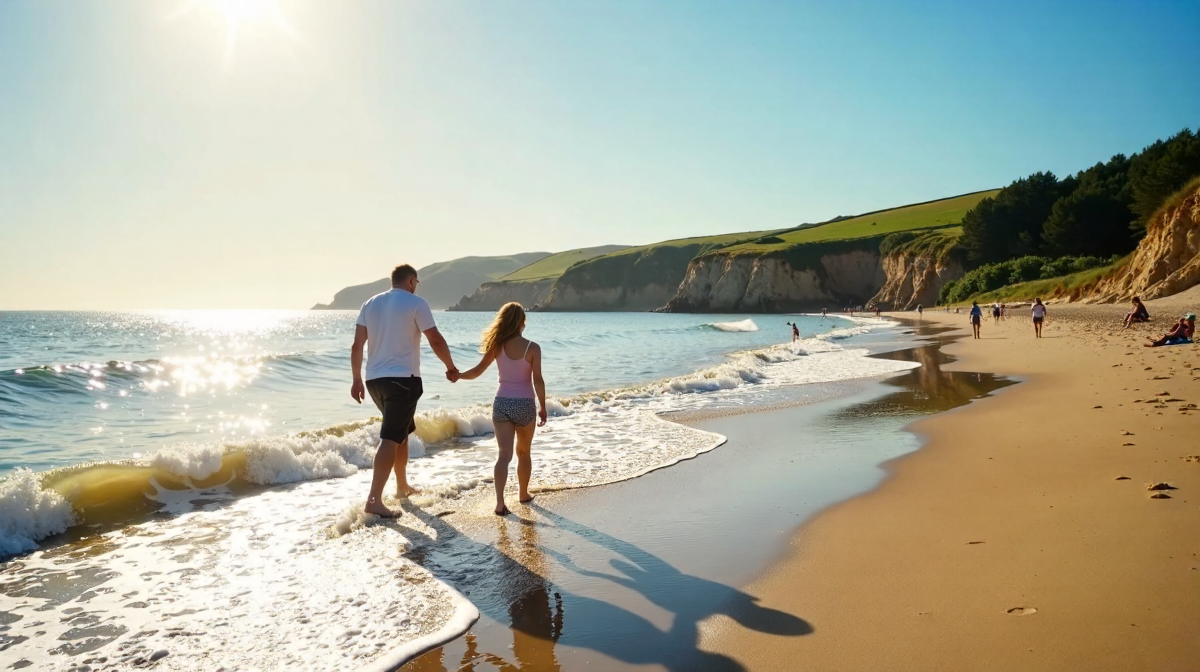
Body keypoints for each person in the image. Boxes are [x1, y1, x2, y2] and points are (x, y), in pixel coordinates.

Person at [351, 264, 460, 518]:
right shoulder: (416, 303)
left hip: (374, 381)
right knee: (391, 437)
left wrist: (356, 380)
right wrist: (450, 367)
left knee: (401, 433)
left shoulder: (369, 304)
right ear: (411, 281)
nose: (416, 287)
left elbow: (357, 346)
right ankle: (374, 500)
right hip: (402, 380)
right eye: (417, 282)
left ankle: (402, 486)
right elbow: (435, 339)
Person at [459, 302, 548, 516]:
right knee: (523, 453)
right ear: (521, 322)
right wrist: (543, 407)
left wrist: (458, 375)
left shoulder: (497, 346)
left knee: (503, 455)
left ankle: (499, 503)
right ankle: (523, 494)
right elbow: (538, 380)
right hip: (525, 404)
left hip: (502, 403)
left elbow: (477, 371)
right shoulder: (532, 348)